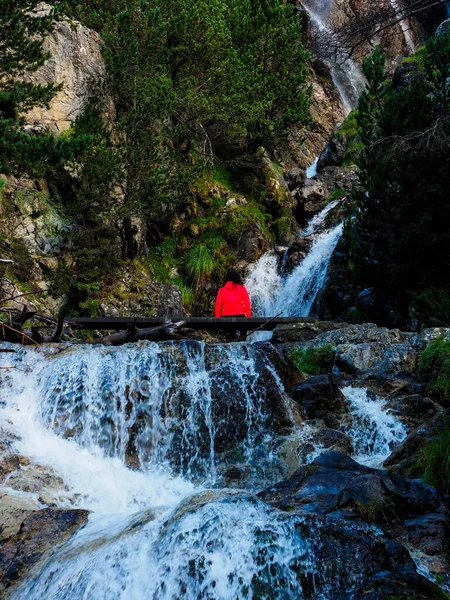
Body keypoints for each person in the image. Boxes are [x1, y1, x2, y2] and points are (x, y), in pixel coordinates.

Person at [215, 269, 252, 341]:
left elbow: (218, 305)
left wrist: (217, 319)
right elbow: (247, 303)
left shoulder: (222, 289)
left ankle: (233, 339)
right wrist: (249, 317)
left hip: (226, 317)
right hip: (240, 315)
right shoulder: (242, 288)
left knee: (231, 333)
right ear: (237, 277)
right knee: (243, 330)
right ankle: (242, 340)